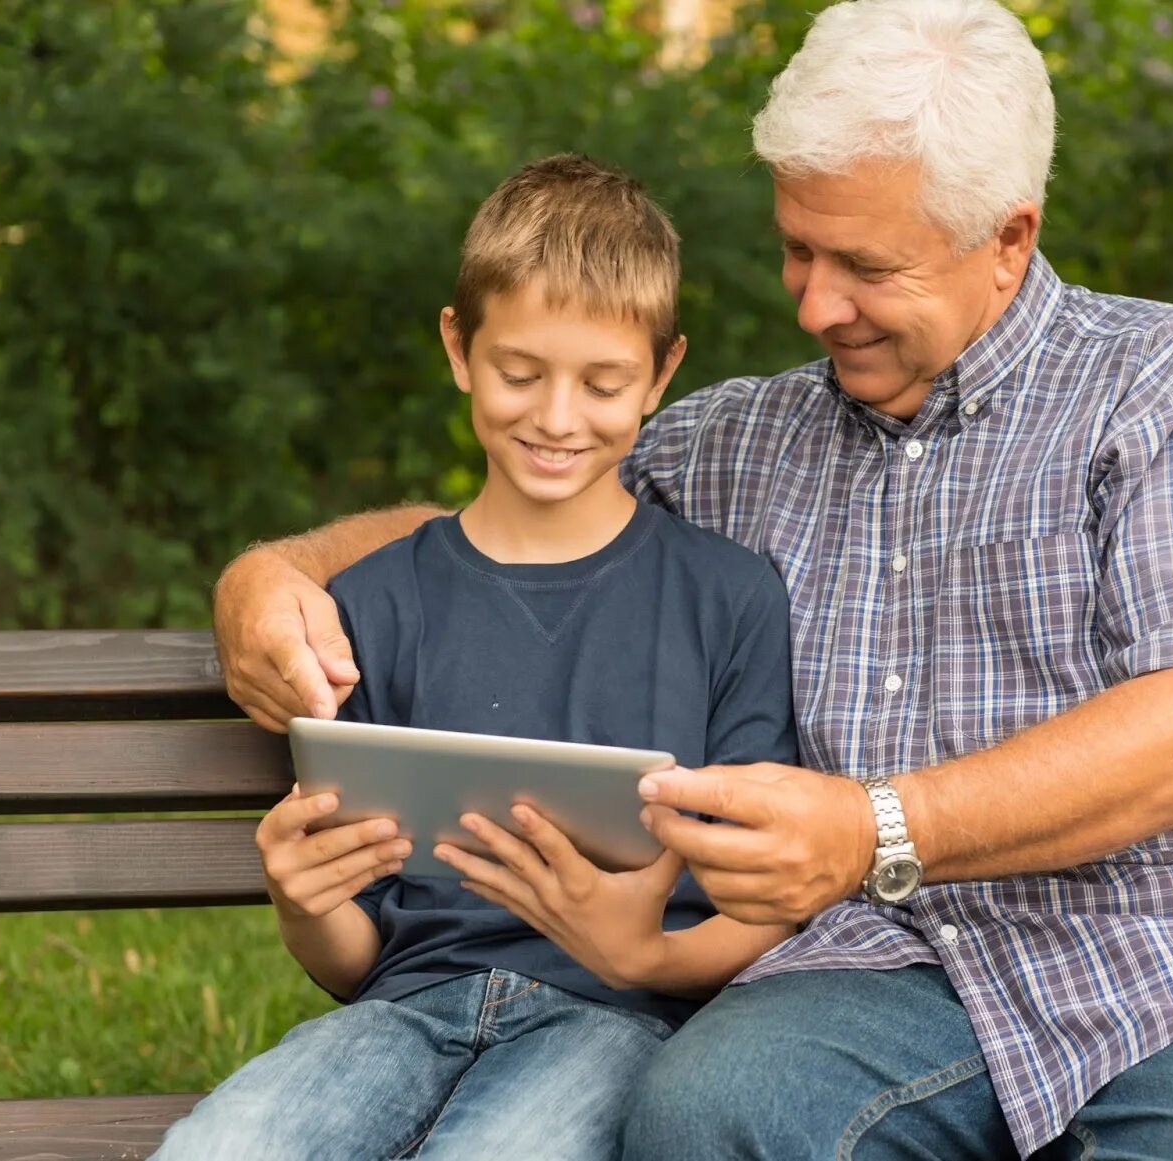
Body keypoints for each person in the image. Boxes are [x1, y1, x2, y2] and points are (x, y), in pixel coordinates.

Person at [211, 1, 1173, 1157]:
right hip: (873, 973)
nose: (814, 304)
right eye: (797, 248)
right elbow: (506, 517)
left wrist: (875, 826)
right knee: (707, 1114)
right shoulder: (741, 440)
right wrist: (273, 576)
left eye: (866, 266)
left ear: (1009, 239)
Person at [154, 154, 797, 1161]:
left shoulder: (729, 599)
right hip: (403, 1013)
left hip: (616, 1022)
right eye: (520, 371)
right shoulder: (372, 604)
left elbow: (760, 898)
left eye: (602, 382)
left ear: (663, 372)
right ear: (459, 348)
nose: (554, 417)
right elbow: (355, 956)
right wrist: (302, 900)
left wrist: (653, 952)